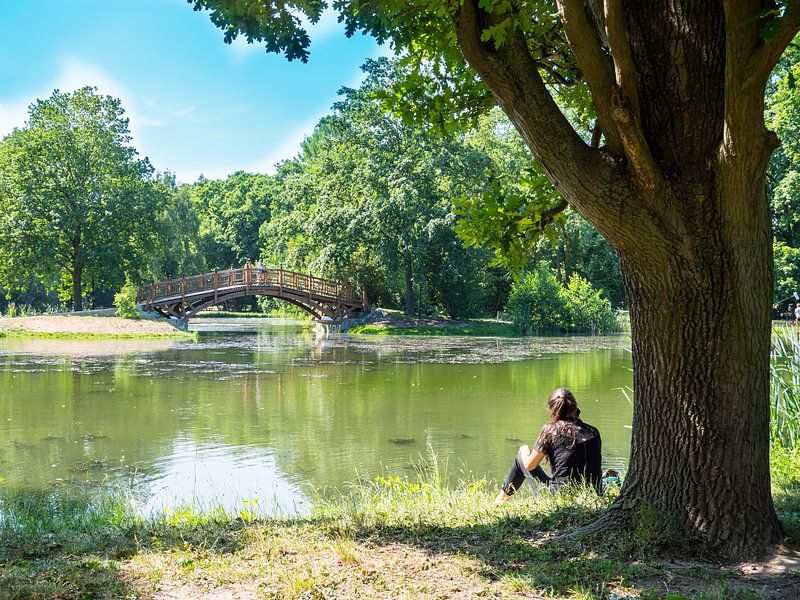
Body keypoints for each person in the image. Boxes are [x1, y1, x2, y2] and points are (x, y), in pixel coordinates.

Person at [495, 388, 602, 504]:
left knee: (522, 454)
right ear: (575, 406)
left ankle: (499, 501)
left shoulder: (551, 430)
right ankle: (500, 500)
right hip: (593, 494)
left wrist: (523, 450)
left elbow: (530, 466)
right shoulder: (593, 431)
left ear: (552, 409)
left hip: (561, 497)